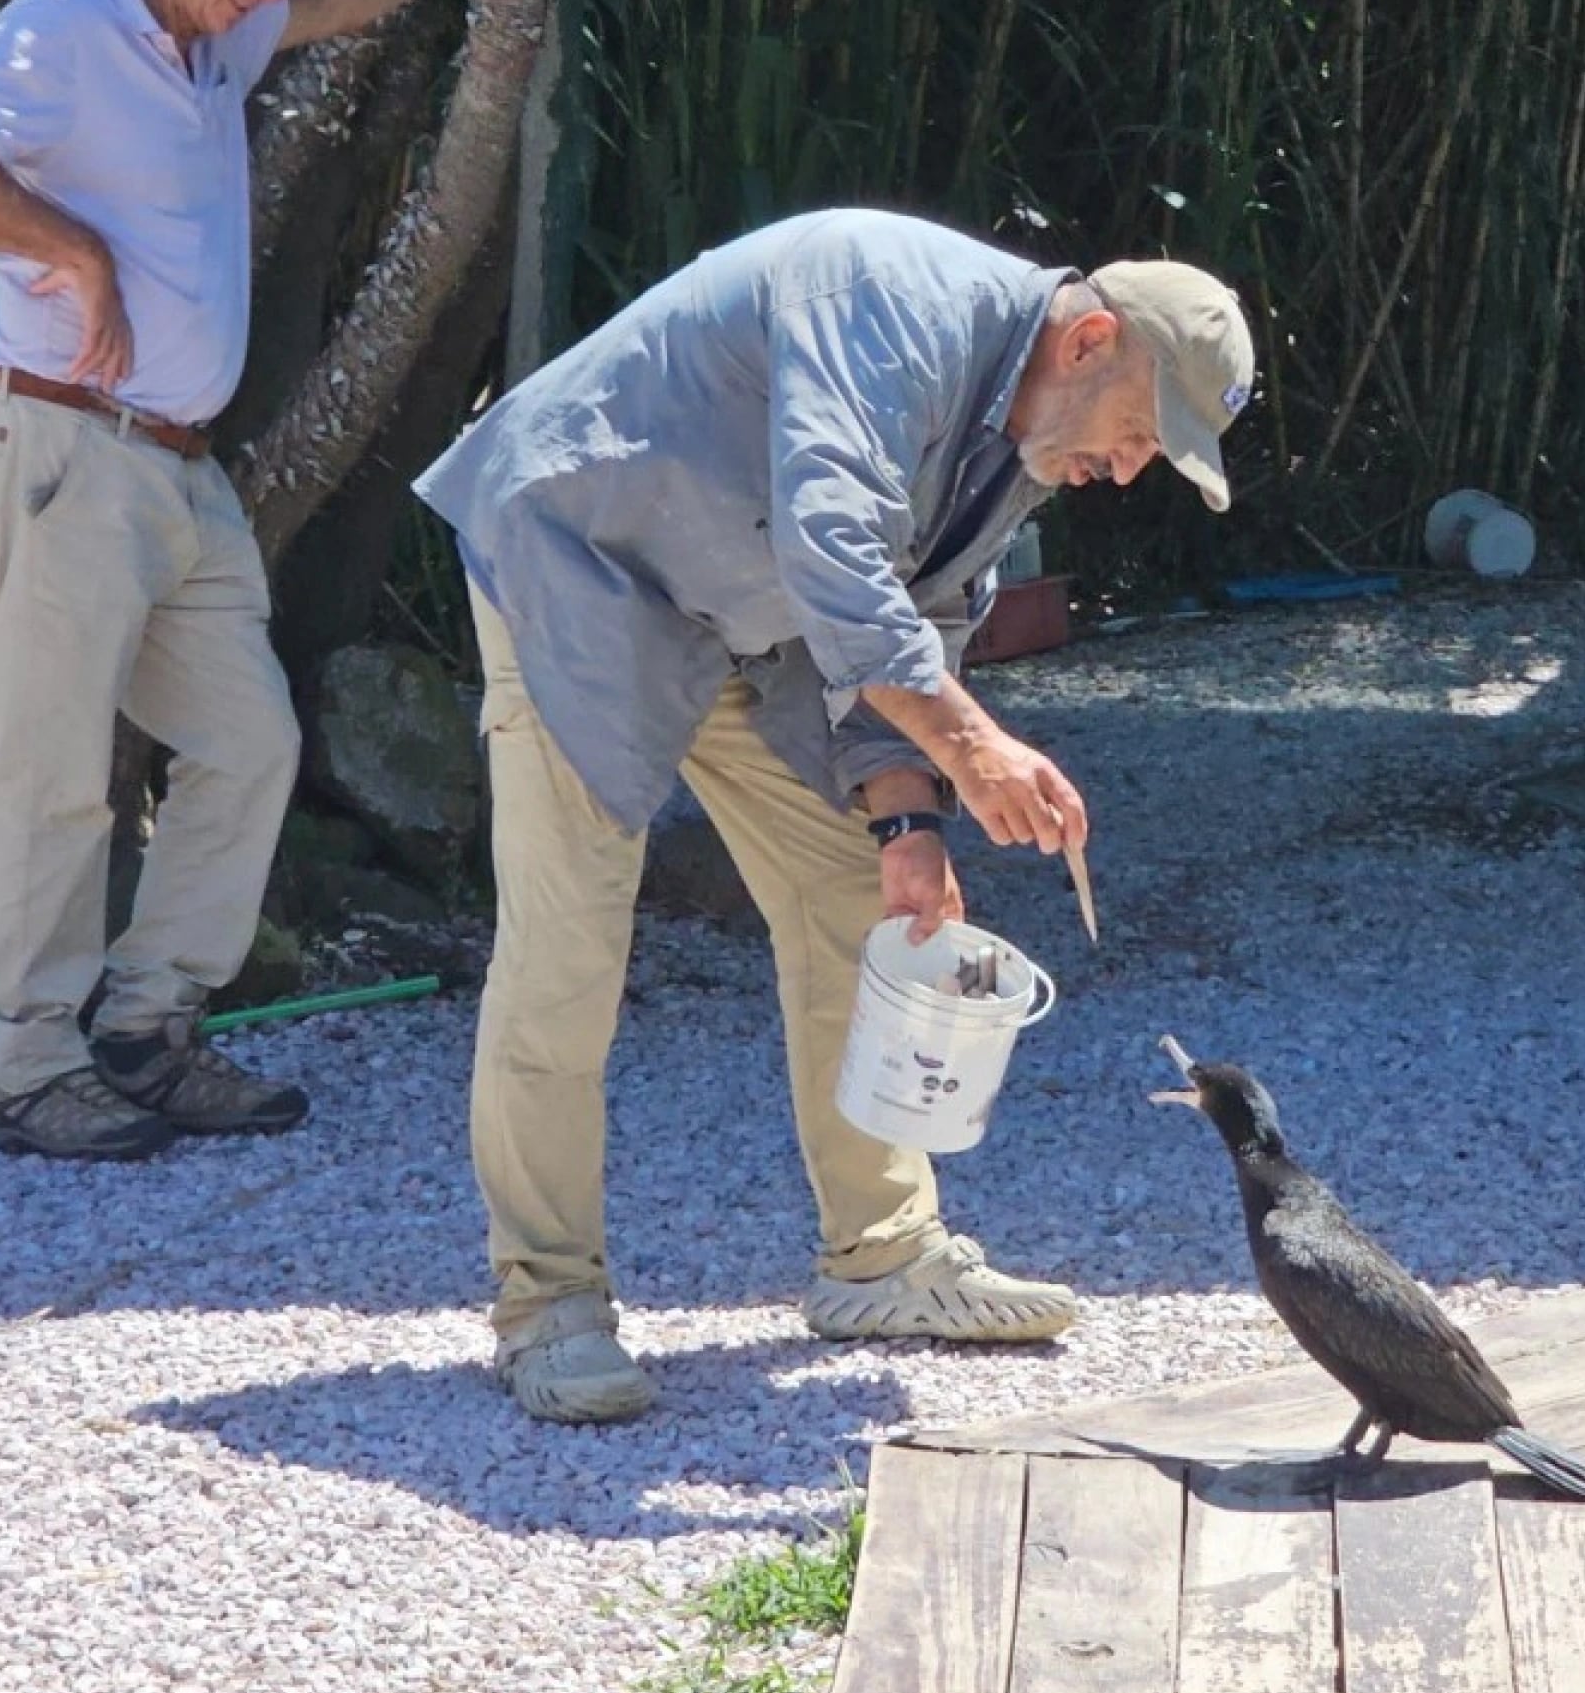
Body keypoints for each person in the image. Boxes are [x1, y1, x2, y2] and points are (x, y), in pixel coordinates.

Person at [413, 208, 1257, 1423]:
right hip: (583, 562)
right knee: (569, 947)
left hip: (747, 608)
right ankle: (547, 1308)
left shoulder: (1026, 442)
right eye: (1141, 431)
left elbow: (924, 615)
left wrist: (910, 827)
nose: (1127, 469)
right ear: (1088, 342)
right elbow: (839, 561)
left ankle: (883, 1261)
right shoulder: (887, 301)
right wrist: (975, 750)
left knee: (876, 911)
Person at [0, 0, 522, 1161]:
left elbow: (339, 1)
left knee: (249, 743)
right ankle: (23, 1071)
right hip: (64, 453)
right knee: (57, 777)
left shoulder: (211, 30)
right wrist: (75, 254)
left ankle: (144, 1031)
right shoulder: (63, 27)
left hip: (176, 470)